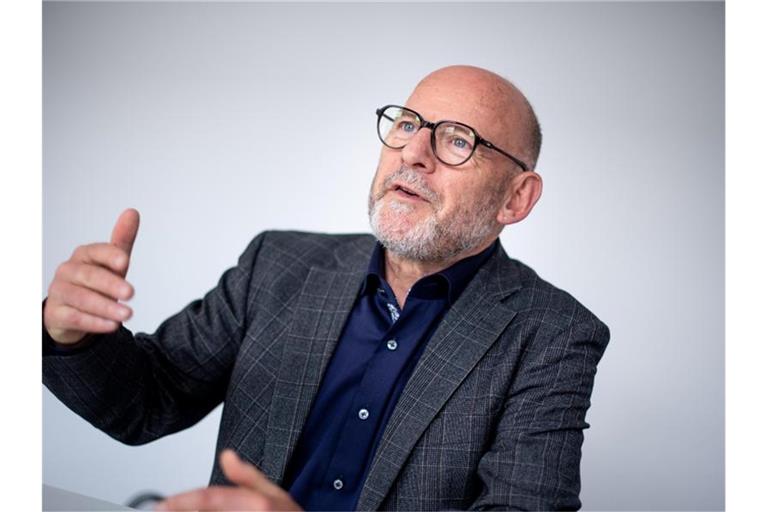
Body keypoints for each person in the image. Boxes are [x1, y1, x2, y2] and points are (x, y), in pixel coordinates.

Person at [43, 65, 610, 511]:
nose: (413, 153)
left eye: (457, 140)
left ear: (516, 198)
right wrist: (69, 335)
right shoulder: (278, 263)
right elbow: (147, 403)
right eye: (407, 125)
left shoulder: (554, 334)